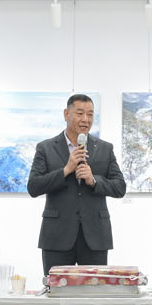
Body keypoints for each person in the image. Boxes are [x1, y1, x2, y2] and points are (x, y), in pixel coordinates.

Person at [27, 94, 125, 272]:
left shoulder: (105, 148)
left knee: (95, 289)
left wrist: (93, 180)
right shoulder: (46, 148)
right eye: (80, 113)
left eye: (90, 114)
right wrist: (66, 170)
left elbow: (120, 187)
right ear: (66, 114)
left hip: (95, 237)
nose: (85, 119)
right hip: (57, 236)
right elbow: (33, 187)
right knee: (56, 287)